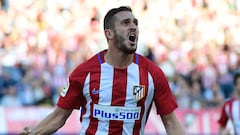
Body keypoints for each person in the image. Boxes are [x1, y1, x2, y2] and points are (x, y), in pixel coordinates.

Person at [18, 6, 186, 135]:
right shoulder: (84, 73)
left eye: (135, 23)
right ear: (109, 34)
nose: (133, 27)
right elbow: (58, 117)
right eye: (126, 23)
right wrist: (33, 133)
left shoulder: (152, 74)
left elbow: (171, 122)